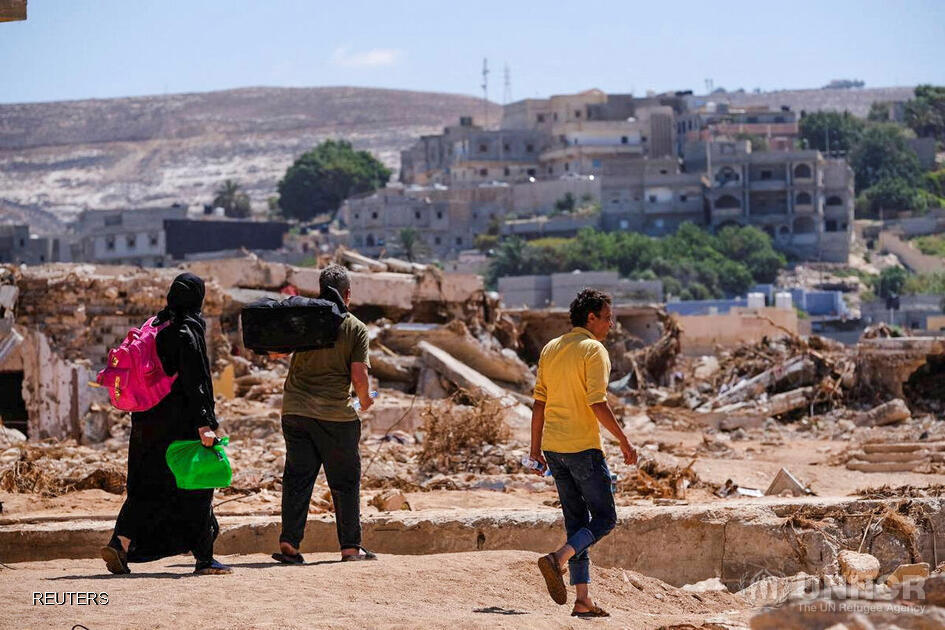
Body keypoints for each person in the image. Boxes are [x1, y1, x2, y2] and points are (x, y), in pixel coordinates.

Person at [101, 272, 231, 576]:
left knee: (145, 487)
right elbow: (197, 381)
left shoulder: (155, 325)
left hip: (146, 420)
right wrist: (205, 423)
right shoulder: (188, 329)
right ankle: (204, 558)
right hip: (180, 425)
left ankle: (120, 543)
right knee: (198, 485)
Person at [531, 288, 637, 617]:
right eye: (607, 317)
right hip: (583, 449)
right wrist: (623, 440)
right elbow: (597, 402)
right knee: (605, 518)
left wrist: (535, 450)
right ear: (590, 318)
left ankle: (582, 599)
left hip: (554, 450)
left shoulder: (551, 348)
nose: (611, 323)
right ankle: (558, 559)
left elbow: (539, 404)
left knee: (577, 523)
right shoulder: (593, 349)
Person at [272, 264, 376, 564]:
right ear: (347, 294)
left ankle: (290, 544)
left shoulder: (305, 319)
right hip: (336, 417)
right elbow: (359, 377)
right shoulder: (355, 327)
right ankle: (350, 548)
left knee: (297, 478)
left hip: (295, 412)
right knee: (344, 482)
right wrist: (366, 400)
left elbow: (277, 352)